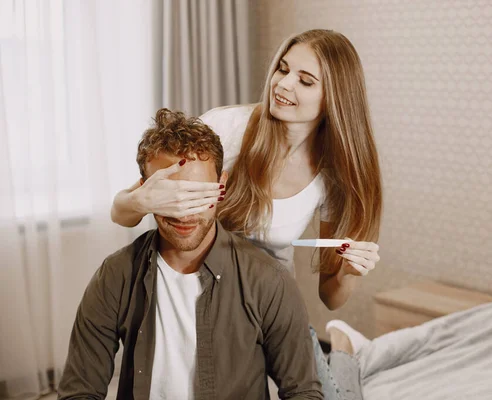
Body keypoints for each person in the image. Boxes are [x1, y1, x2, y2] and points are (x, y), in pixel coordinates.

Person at [111, 29, 382, 399]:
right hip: (200, 295)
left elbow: (330, 298)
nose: (283, 85)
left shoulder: (331, 176)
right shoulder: (228, 129)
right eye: (283, 69)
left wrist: (349, 272)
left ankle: (343, 350)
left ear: (334, 98)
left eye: (304, 80)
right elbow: (120, 213)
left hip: (269, 305)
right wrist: (144, 200)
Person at [58, 109, 323, 400]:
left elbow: (303, 392)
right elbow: (78, 392)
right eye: (172, 196)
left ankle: (345, 348)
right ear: (146, 192)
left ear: (220, 187)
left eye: (198, 194)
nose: (185, 212)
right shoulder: (116, 275)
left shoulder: (268, 281)